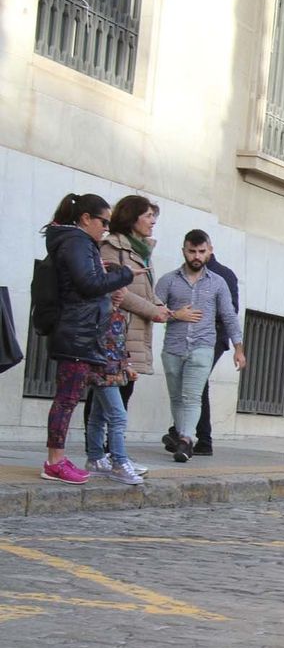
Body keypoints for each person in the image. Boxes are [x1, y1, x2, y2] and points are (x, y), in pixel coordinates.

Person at [40, 193, 133, 484]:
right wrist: (125, 275)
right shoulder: (77, 241)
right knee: (66, 399)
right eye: (103, 222)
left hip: (83, 333)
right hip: (77, 333)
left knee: (79, 397)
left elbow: (85, 279)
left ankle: (76, 457)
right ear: (85, 219)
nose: (105, 228)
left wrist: (106, 270)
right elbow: (88, 284)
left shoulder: (77, 243)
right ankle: (54, 461)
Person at [87, 195, 181, 469]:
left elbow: (146, 291)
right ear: (133, 217)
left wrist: (162, 307)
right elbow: (115, 289)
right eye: (149, 216)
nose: (153, 223)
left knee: (121, 394)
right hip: (116, 331)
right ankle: (105, 455)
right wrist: (152, 310)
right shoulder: (111, 247)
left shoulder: (141, 251)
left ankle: (108, 454)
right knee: (106, 399)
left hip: (135, 333)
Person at [154, 231, 246, 463]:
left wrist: (238, 348)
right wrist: (176, 314)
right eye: (192, 251)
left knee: (192, 395)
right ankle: (183, 437)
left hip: (203, 346)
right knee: (176, 397)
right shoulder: (169, 280)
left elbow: (229, 315)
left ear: (210, 250)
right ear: (183, 250)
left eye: (201, 251)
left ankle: (185, 439)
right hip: (173, 347)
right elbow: (153, 309)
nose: (196, 256)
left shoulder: (218, 282)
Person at [84, 248, 143, 486]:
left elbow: (117, 345)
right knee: (118, 417)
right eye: (118, 287)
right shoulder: (98, 311)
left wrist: (126, 365)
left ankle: (96, 457)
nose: (122, 293)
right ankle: (119, 461)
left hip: (113, 373)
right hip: (102, 372)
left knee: (98, 417)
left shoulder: (117, 313)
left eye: (124, 287)